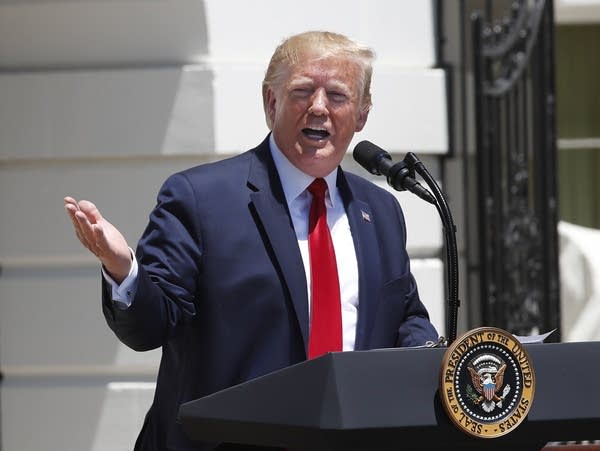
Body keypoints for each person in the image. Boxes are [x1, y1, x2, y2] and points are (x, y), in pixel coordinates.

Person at [65, 31, 438, 451]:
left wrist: (438, 361)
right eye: (302, 91)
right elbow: (151, 326)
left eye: (337, 95)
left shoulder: (380, 211)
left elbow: (405, 316)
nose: (319, 107)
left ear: (362, 115)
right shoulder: (201, 199)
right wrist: (123, 269)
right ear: (271, 102)